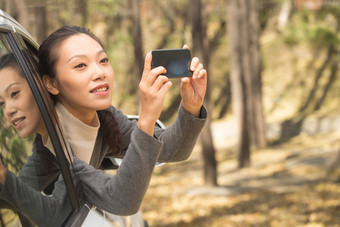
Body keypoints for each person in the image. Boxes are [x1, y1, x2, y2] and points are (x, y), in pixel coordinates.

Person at [0, 25, 207, 226]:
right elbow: (122, 200)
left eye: (103, 60)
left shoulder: (104, 117)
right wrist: (146, 120)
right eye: (80, 65)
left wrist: (191, 106)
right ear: (51, 84)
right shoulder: (60, 146)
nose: (99, 72)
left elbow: (173, 149)